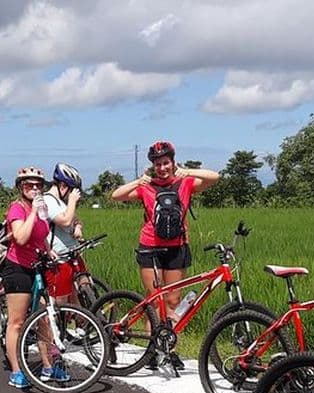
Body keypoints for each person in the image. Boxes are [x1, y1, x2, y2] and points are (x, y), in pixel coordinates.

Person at [111, 141, 220, 369]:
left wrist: (186, 170)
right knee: (154, 299)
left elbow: (214, 177)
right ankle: (152, 350)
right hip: (150, 246)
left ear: (173, 162)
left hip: (177, 247)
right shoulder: (146, 187)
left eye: (166, 163)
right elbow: (116, 196)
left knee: (173, 301)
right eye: (158, 164)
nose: (162, 168)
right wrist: (139, 181)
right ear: (153, 166)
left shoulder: (186, 182)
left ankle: (169, 349)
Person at [2, 167, 67, 389]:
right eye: (30, 185)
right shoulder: (17, 209)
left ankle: (49, 366)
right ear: (21, 187)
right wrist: (31, 213)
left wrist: (48, 250)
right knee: (17, 322)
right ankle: (17, 370)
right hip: (17, 267)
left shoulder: (41, 208)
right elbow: (20, 237)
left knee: (44, 318)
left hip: (37, 266)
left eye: (39, 185)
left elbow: (40, 235)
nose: (35, 189)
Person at [42, 162, 84, 303]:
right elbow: (65, 221)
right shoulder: (48, 201)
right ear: (63, 186)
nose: (73, 195)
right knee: (60, 300)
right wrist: (72, 201)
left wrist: (78, 227)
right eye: (72, 190)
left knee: (82, 286)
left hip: (71, 254)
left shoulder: (61, 202)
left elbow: (75, 219)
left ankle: (82, 319)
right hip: (57, 259)